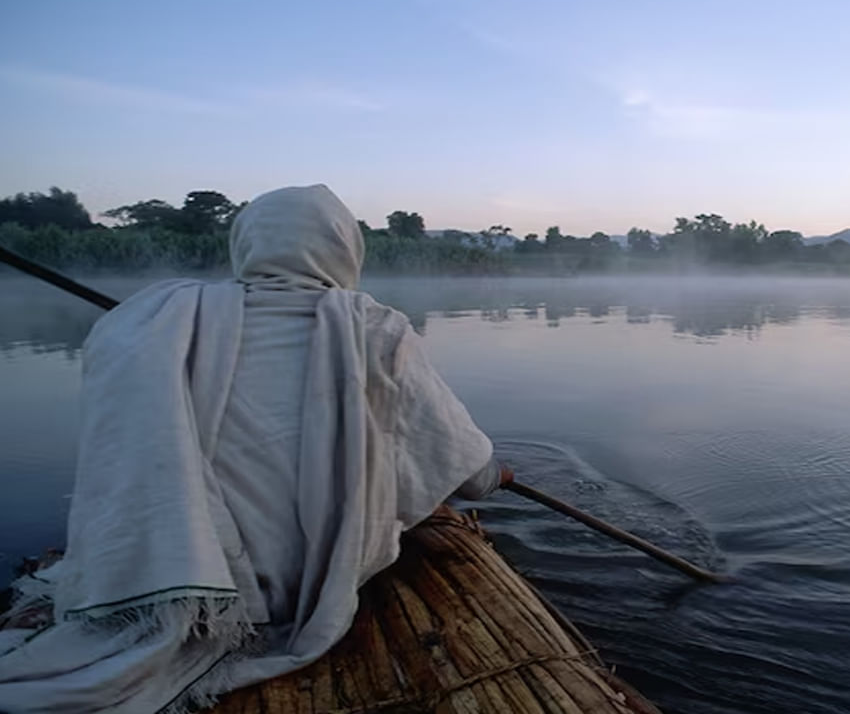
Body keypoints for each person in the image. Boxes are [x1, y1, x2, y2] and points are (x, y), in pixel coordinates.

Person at [0, 185, 511, 713]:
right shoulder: (376, 328)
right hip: (299, 584)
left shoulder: (164, 318)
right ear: (343, 248)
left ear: (247, 245)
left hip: (182, 572)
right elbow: (466, 469)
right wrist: (500, 475)